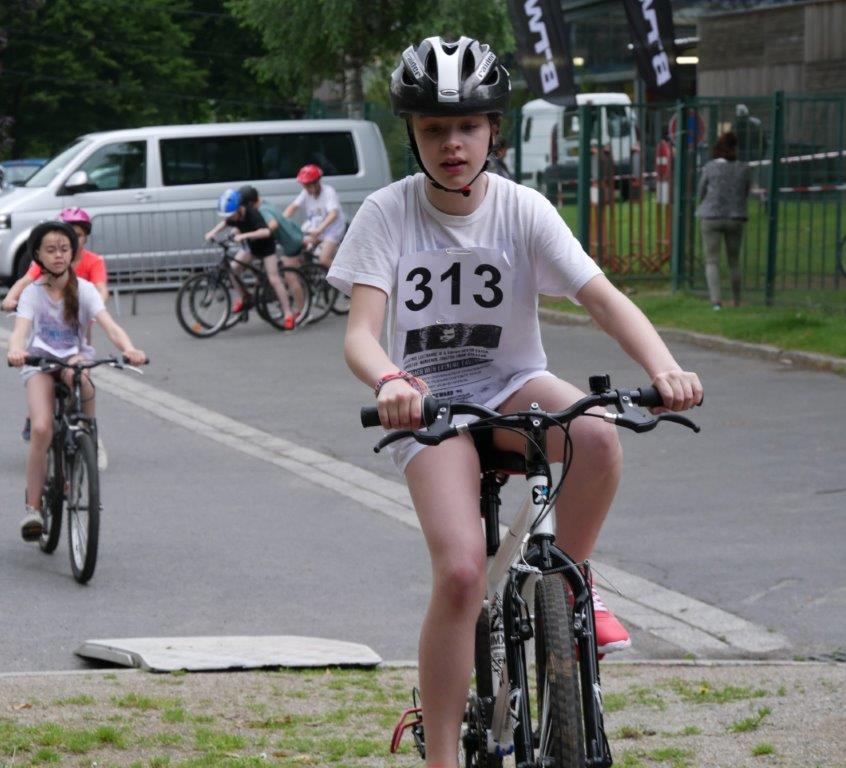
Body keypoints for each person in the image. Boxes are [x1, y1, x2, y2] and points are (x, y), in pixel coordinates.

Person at [326, 35, 702, 768]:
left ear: (494, 130)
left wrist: (665, 368)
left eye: (468, 125)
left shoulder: (523, 209)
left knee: (597, 433)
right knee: (463, 573)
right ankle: (442, 756)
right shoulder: (387, 212)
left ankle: (571, 583)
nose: (452, 143)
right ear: (413, 134)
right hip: (430, 406)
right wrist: (392, 381)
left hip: (512, 384)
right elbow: (360, 335)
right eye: (435, 127)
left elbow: (602, 298)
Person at [6, 221, 146, 542]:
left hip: (72, 357)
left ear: (72, 254)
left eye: (64, 249)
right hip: (40, 362)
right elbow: (20, 332)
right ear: (38, 255)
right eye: (51, 250)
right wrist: (16, 351)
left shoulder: (84, 290)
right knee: (42, 428)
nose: (58, 255)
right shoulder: (33, 293)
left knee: (84, 379)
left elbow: (110, 326)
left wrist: (129, 349)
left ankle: (87, 435)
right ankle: (33, 507)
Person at [2, 208, 110, 462]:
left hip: (79, 325)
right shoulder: (48, 262)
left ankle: (86, 428)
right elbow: (25, 282)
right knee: (41, 376)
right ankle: (35, 416)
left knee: (81, 375)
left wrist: (96, 306)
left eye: (79, 235)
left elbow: (101, 289)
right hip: (50, 330)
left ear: (84, 238)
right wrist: (10, 299)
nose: (73, 240)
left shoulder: (93, 261)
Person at [204, 188, 296, 329]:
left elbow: (266, 232)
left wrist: (244, 236)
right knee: (233, 270)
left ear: (239, 208)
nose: (230, 217)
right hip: (251, 247)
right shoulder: (234, 216)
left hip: (266, 248)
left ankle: (288, 313)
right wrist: (212, 232)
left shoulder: (252, 214)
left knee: (273, 279)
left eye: (231, 214)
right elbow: (225, 223)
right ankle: (245, 297)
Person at [697, 131, 751, 310]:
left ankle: (716, 302)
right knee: (734, 260)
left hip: (711, 217)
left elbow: (701, 190)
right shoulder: (743, 168)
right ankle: (736, 299)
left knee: (712, 260)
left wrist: (703, 204)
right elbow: (745, 191)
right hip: (735, 217)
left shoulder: (710, 167)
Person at [283, 164, 346, 268]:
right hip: (316, 228)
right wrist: (281, 220)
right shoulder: (306, 193)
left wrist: (319, 229)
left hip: (333, 229)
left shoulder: (328, 192)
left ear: (317, 182)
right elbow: (293, 207)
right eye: (304, 186)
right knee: (300, 253)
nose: (306, 189)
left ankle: (342, 276)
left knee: (323, 259)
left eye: (308, 186)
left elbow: (333, 213)